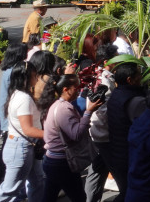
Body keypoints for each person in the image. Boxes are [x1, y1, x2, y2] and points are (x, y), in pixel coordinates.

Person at [42, 74, 104, 202]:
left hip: (53, 160)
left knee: (49, 196)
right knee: (79, 198)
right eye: (76, 87)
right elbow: (76, 134)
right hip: (61, 163)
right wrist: (88, 112)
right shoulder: (64, 109)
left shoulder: (59, 105)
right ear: (65, 89)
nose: (79, 90)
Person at [0, 61, 45, 202]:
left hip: (25, 146)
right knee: (9, 190)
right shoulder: (23, 98)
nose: (37, 79)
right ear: (26, 77)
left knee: (37, 182)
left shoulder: (18, 94)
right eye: (35, 75)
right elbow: (27, 129)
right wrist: (51, 134)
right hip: (20, 148)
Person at [106, 63, 147, 201]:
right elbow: (145, 127)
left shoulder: (115, 95)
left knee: (127, 190)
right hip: (130, 154)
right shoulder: (134, 100)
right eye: (138, 75)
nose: (141, 77)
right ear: (130, 80)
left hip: (118, 152)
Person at [84, 44, 119, 202]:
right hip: (103, 133)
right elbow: (103, 109)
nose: (118, 60)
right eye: (116, 57)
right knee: (115, 169)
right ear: (106, 61)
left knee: (97, 168)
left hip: (97, 132)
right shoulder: (104, 79)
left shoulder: (98, 75)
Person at [0, 42, 28, 183]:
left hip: (6, 110)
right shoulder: (13, 71)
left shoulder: (8, 69)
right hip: (9, 112)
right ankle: (2, 175)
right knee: (7, 145)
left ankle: (1, 175)